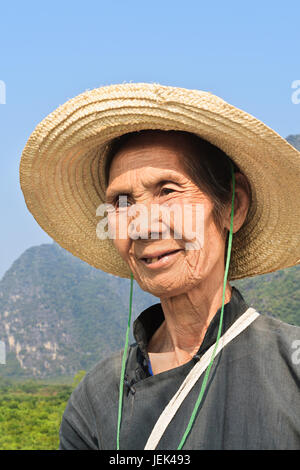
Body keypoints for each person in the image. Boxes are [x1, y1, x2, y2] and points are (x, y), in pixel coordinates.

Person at [19, 83, 300, 450]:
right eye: (122, 202)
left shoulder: (289, 366)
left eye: (167, 190)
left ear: (233, 206)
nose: (141, 224)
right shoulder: (97, 397)